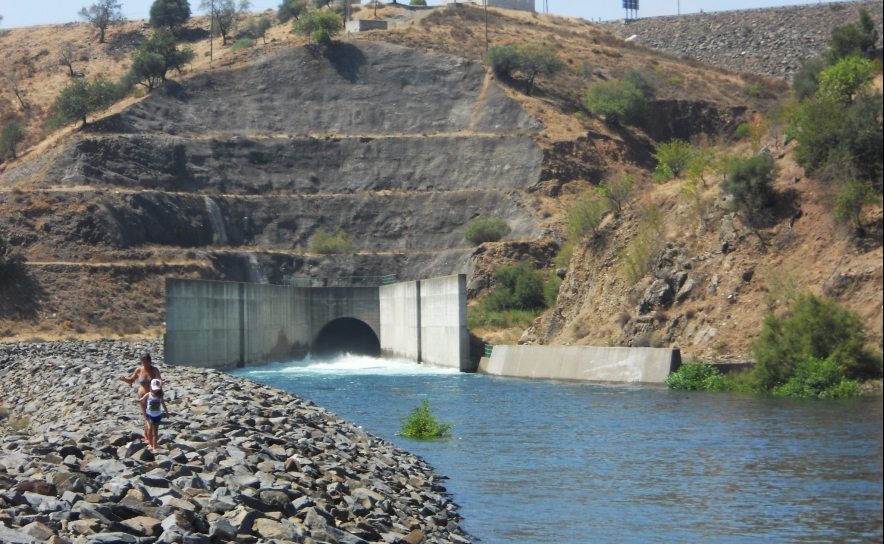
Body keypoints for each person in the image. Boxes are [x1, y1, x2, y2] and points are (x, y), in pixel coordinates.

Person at [119, 353, 162, 442]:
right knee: (146, 416)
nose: (145, 364)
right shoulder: (139, 370)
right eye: (143, 362)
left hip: (152, 396)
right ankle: (147, 436)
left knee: (151, 415)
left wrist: (159, 386)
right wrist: (124, 379)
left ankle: (147, 435)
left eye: (147, 362)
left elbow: (159, 380)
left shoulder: (154, 370)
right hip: (142, 395)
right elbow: (131, 380)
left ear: (150, 361)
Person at [133, 379, 168, 453]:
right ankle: (150, 444)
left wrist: (167, 412)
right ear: (150, 387)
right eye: (154, 389)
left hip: (157, 415)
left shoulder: (159, 395)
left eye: (157, 389)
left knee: (155, 432)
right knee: (149, 428)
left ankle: (154, 447)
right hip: (149, 414)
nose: (155, 391)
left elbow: (163, 403)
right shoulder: (148, 394)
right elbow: (141, 400)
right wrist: (136, 401)